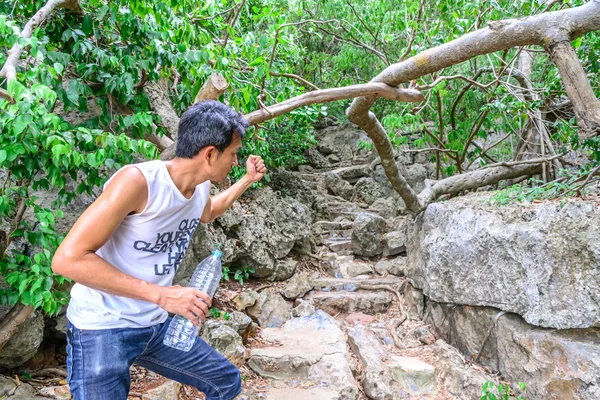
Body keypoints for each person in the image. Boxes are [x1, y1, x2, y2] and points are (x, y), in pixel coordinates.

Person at [52, 100, 266, 400]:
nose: (235, 160)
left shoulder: (200, 184)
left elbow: (208, 211)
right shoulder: (139, 182)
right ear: (209, 153)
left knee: (225, 381)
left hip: (155, 325)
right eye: (233, 154)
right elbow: (66, 259)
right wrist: (162, 295)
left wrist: (246, 180)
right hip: (102, 328)